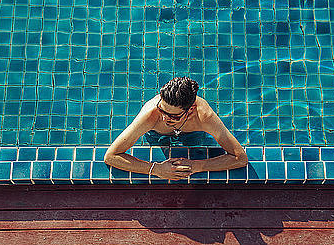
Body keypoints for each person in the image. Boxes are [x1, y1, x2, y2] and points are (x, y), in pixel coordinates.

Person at [104, 76, 248, 180]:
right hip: (157, 135)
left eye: (173, 116)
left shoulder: (204, 117)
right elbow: (111, 156)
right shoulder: (151, 115)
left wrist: (197, 166)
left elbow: (240, 158)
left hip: (193, 134)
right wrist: (156, 169)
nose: (165, 118)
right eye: (162, 110)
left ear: (190, 110)